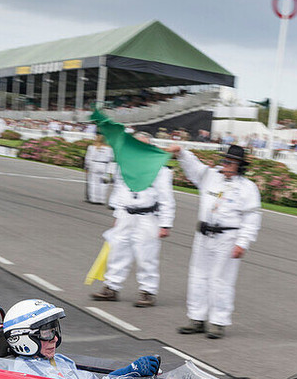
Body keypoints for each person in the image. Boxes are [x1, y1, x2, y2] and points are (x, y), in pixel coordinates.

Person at [166, 144, 261, 339]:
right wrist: (180, 152)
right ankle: (196, 318)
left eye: (230, 162)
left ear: (239, 165)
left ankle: (218, 322)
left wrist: (243, 242)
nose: (225, 164)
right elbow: (192, 165)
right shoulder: (210, 176)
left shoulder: (247, 188)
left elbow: (252, 217)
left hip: (227, 237)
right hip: (204, 235)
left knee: (221, 280)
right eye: (225, 160)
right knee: (197, 276)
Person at [90, 132, 175, 308]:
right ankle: (111, 287)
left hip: (147, 217)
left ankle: (148, 291)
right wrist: (117, 213)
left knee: (146, 256)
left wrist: (165, 224)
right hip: (125, 215)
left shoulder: (160, 169)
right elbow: (119, 188)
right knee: (117, 251)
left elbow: (166, 198)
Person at [1, 299, 159, 379]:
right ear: (23, 338)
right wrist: (129, 372)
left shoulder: (58, 360)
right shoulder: (30, 374)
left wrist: (127, 373)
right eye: (47, 333)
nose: (55, 338)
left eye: (55, 331)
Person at [84, 137, 114, 204]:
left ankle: (93, 199)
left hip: (94, 164)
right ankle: (101, 199)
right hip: (104, 165)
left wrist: (87, 167)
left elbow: (88, 158)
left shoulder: (92, 147)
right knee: (103, 183)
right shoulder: (109, 149)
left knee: (93, 183)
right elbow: (111, 158)